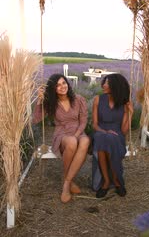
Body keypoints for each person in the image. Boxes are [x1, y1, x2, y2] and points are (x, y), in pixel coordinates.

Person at [33, 73, 90, 203]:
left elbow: (83, 121)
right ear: (53, 89)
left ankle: (66, 181)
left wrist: (76, 135)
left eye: (63, 83)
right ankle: (67, 184)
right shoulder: (51, 103)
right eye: (58, 85)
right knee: (71, 142)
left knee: (85, 140)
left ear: (67, 84)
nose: (62, 87)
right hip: (62, 133)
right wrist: (39, 100)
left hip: (78, 132)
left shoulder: (78, 99)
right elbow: (36, 119)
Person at [92, 73, 133, 198]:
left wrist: (130, 113)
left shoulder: (124, 103)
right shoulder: (98, 99)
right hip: (101, 131)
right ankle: (107, 181)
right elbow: (94, 124)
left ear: (115, 86)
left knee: (109, 138)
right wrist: (104, 131)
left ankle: (115, 179)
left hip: (117, 135)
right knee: (101, 137)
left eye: (107, 83)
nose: (103, 85)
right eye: (104, 82)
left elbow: (124, 131)